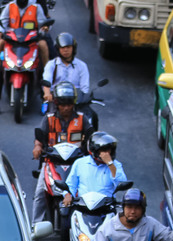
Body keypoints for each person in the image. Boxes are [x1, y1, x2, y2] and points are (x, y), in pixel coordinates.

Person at [31, 81, 96, 224]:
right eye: (62, 104)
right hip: (52, 162)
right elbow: (39, 138)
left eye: (69, 104)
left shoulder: (82, 119)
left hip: (77, 162)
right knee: (40, 192)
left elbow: (92, 138)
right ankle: (36, 225)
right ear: (56, 104)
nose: (66, 108)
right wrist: (37, 147)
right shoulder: (49, 119)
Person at [0, 0, 50, 116]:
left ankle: (47, 74)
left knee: (43, 45)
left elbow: (42, 24)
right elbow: (2, 22)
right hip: (13, 42)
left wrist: (43, 30)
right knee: (0, 45)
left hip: (31, 41)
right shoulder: (9, 7)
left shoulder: (35, 7)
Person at [62, 132, 127, 219]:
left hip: (106, 209)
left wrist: (110, 164)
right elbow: (71, 185)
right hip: (83, 207)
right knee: (66, 223)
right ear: (95, 151)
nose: (107, 153)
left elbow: (121, 182)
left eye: (109, 150)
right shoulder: (80, 163)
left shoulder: (115, 165)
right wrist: (68, 195)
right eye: (104, 150)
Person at [41, 33, 89, 103]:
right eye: (62, 48)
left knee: (88, 113)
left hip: (75, 101)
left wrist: (83, 98)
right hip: (56, 101)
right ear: (58, 49)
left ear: (73, 48)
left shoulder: (82, 66)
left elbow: (85, 88)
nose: (66, 50)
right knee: (48, 113)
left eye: (68, 47)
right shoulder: (51, 65)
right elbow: (47, 81)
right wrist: (47, 93)